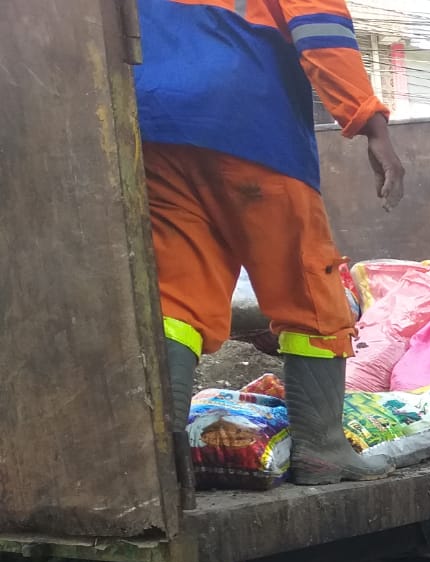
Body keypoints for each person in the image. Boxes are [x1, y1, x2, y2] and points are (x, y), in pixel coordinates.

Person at [135, 0, 405, 486]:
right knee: (307, 286)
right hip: (250, 118)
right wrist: (370, 123)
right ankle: (321, 448)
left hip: (154, 123)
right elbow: (319, 24)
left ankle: (160, 465)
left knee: (174, 300)